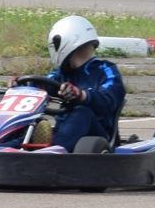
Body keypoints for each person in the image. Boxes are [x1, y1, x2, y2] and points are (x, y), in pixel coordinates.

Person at [42, 14, 125, 150]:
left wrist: (82, 95)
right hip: (64, 133)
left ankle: (53, 152)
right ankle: (3, 147)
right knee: (34, 120)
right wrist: (22, 86)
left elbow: (109, 99)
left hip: (98, 137)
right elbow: (44, 85)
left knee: (81, 112)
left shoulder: (106, 70)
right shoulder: (61, 74)